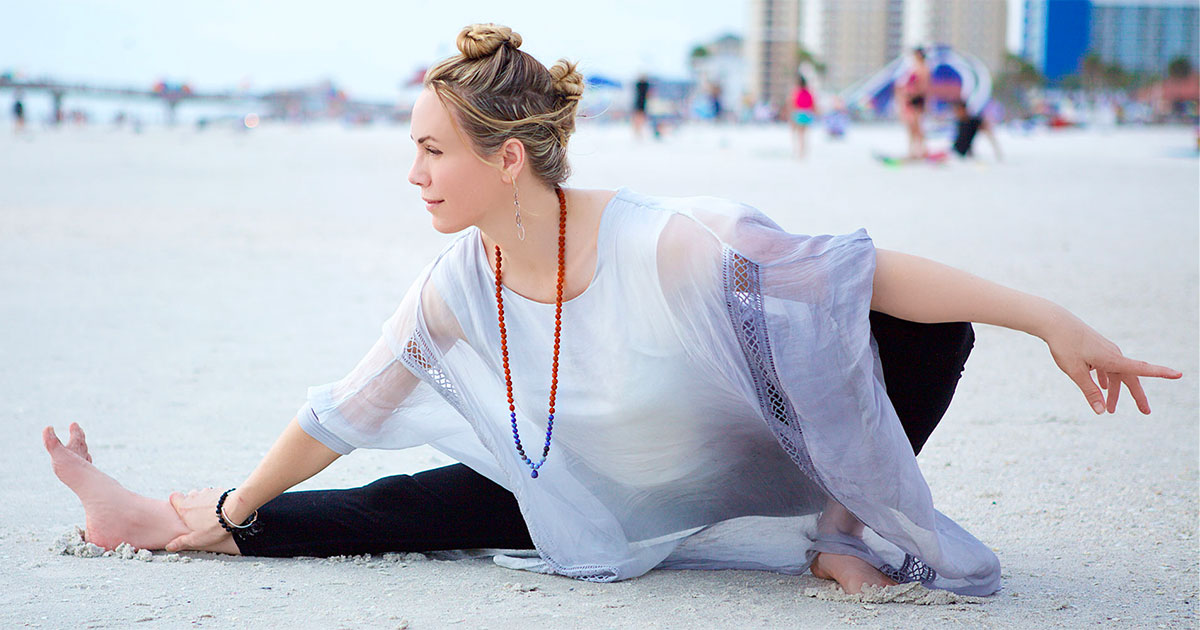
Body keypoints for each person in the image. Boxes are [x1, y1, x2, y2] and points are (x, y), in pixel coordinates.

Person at [43, 24, 1180, 598]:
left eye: (434, 151)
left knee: (932, 329)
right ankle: (158, 517)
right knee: (395, 503)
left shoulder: (675, 240)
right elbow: (345, 411)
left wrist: (1051, 319)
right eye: (414, 151)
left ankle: (841, 530)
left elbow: (867, 272)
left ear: (509, 159)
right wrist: (235, 507)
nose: (416, 175)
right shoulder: (453, 286)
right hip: (587, 474)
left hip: (758, 455)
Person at [896, 48, 930, 159]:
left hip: (916, 99)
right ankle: (913, 150)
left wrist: (912, 95)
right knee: (911, 126)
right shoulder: (914, 68)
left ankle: (922, 150)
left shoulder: (923, 68)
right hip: (910, 99)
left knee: (916, 126)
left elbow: (924, 87)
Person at [790, 75, 818, 158]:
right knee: (805, 134)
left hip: (799, 113)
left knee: (799, 134)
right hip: (808, 113)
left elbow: (794, 104)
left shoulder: (797, 92)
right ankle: (804, 151)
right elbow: (813, 104)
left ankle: (800, 152)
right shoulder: (809, 92)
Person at [631, 74, 650, 140]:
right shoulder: (643, 85)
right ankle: (638, 132)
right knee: (639, 119)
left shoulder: (641, 85)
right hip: (641, 104)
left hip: (641, 104)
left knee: (639, 119)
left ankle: (638, 132)